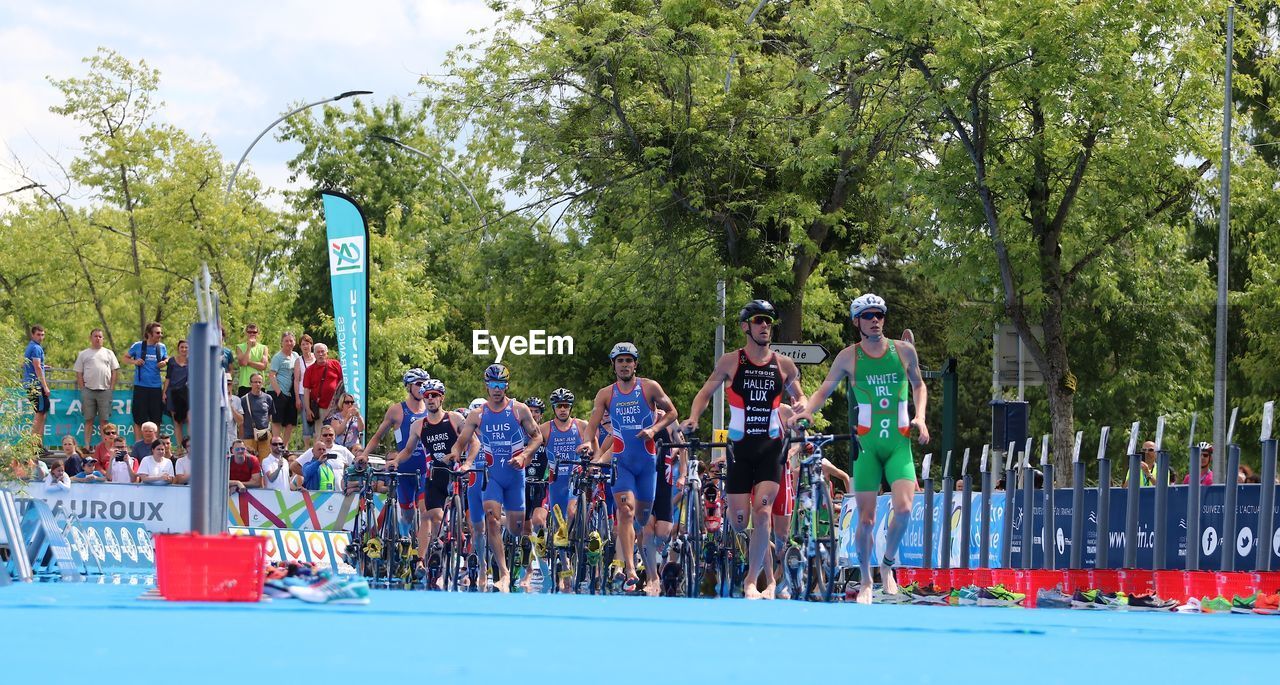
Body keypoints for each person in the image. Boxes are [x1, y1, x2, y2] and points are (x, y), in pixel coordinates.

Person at [792, 293, 929, 605]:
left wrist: (920, 417)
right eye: (868, 315)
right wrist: (807, 412)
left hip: (898, 444)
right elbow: (824, 391)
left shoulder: (903, 351)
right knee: (866, 519)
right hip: (865, 447)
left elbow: (919, 385)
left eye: (879, 314)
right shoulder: (848, 357)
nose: (875, 320)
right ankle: (866, 579)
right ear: (857, 322)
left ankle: (888, 564)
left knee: (905, 509)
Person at [681, 300, 807, 599]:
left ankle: (752, 580)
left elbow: (799, 396)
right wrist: (694, 417)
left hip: (770, 448)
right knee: (740, 521)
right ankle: (757, 555)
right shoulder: (730, 361)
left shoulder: (783, 364)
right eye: (759, 321)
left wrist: (802, 407)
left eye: (768, 321)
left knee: (763, 512)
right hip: (739, 448)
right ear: (745, 327)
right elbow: (704, 393)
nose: (765, 326)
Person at [580, 342, 680, 595]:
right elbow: (592, 424)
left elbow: (672, 412)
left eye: (629, 360)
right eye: (619, 361)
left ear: (635, 363)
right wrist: (586, 444)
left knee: (643, 519)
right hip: (621, 462)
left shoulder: (649, 387)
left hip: (646, 464)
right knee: (625, 510)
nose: (624, 365)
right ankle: (630, 569)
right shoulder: (606, 394)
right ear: (613, 365)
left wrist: (654, 430)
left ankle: (639, 555)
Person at [446, 363, 544, 593]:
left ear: (506, 385)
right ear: (487, 386)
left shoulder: (519, 410)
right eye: (493, 384)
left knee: (515, 528)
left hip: (515, 476)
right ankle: (503, 572)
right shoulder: (478, 414)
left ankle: (513, 546)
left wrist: (525, 456)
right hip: (493, 477)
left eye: (501, 384)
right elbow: (463, 440)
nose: (497, 389)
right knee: (491, 517)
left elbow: (537, 437)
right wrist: (454, 453)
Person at [394, 378, 477, 574]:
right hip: (434, 474)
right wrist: (395, 461)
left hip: (455, 473)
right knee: (428, 515)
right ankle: (421, 560)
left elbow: (475, 443)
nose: (430, 399)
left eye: (434, 396)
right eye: (427, 396)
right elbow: (407, 450)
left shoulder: (455, 418)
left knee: (466, 517)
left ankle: (460, 540)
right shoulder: (418, 425)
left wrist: (467, 463)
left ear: (441, 398)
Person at [539, 388, 589, 590]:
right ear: (553, 408)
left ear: (570, 407)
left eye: (565, 406)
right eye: (558, 406)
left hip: (575, 477)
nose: (562, 410)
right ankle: (566, 567)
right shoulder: (545, 428)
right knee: (560, 526)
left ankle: (577, 540)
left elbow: (593, 444)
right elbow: (532, 445)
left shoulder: (581, 425)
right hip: (556, 479)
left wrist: (590, 452)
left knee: (571, 511)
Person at [642, 410, 688, 596]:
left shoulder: (668, 419)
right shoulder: (640, 416)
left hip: (664, 480)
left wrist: (683, 474)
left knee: (662, 533)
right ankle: (652, 578)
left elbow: (682, 447)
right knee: (647, 529)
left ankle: (660, 560)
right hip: (644, 478)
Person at [73, 327, 120, 451]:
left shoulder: (109, 353)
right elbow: (79, 373)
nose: (98, 338)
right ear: (91, 338)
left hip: (105, 390)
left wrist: (111, 388)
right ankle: (87, 445)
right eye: (95, 336)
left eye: (100, 336)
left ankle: (104, 447)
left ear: (103, 339)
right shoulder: (83, 354)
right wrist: (83, 389)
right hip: (88, 390)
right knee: (88, 419)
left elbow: (114, 371)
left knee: (104, 421)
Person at [123, 322, 168, 438]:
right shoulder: (138, 346)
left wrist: (165, 362)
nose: (160, 335)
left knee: (156, 418)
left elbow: (166, 358)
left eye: (161, 332)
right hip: (140, 387)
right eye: (157, 333)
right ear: (149, 334)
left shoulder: (161, 347)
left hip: (156, 387)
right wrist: (135, 361)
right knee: (139, 418)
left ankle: (155, 444)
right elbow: (125, 358)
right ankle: (139, 443)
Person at [269, 331, 303, 447]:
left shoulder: (296, 356)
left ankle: (285, 446)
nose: (289, 343)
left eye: (291, 340)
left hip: (291, 394)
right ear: (282, 343)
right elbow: (272, 375)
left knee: (290, 422)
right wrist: (278, 392)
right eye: (286, 341)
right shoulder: (278, 357)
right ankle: (276, 445)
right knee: (277, 421)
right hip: (278, 393)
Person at [301, 343, 343, 438]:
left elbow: (342, 383)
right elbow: (306, 390)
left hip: (335, 407)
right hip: (320, 408)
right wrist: (307, 409)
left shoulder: (335, 364)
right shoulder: (310, 370)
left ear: (327, 353)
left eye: (322, 352)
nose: (320, 354)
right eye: (318, 352)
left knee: (336, 434)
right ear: (314, 354)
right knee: (320, 435)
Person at [23, 325, 50, 445]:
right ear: (33, 335)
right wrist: (45, 386)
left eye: (42, 334)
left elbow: (37, 364)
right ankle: (33, 446)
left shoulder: (31, 346)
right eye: (38, 334)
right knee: (39, 414)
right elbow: (37, 366)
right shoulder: (36, 348)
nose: (41, 337)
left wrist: (44, 366)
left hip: (31, 383)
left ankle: (38, 445)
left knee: (41, 413)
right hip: (36, 385)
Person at [239, 373, 276, 458]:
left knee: (265, 461)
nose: (257, 384)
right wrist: (241, 438)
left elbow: (271, 418)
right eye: (255, 382)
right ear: (250, 383)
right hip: (249, 436)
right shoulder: (244, 400)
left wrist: (273, 436)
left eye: (259, 382)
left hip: (264, 436)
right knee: (249, 461)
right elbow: (241, 420)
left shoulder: (268, 398)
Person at [164, 340, 191, 450]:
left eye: (186, 347)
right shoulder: (171, 361)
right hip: (173, 393)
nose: (184, 349)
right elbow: (168, 378)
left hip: (187, 393)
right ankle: (180, 447)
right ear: (178, 348)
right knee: (177, 421)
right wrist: (164, 392)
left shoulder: (193, 361)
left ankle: (190, 446)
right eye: (182, 347)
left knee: (190, 419)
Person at [234, 323, 269, 396]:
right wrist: (249, 347)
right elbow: (243, 363)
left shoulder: (264, 348)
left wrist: (248, 362)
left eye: (254, 332)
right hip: (244, 384)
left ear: (258, 333)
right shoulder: (240, 347)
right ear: (246, 333)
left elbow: (263, 366)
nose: (252, 334)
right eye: (249, 332)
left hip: (259, 384)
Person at [297, 333, 317, 440]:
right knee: (306, 420)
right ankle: (306, 448)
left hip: (316, 394)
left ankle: (317, 445)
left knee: (317, 419)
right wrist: (297, 399)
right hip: (303, 393)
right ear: (300, 346)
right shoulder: (298, 361)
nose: (305, 346)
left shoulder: (316, 357)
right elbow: (296, 380)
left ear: (311, 345)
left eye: (307, 344)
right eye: (303, 344)